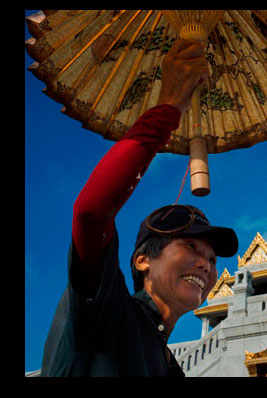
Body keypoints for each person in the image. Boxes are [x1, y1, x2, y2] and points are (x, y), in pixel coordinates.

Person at [40, 39, 238, 377]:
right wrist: (170, 104)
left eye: (212, 259)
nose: (206, 264)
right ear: (142, 260)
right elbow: (91, 211)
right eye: (191, 246)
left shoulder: (170, 367)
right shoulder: (105, 309)